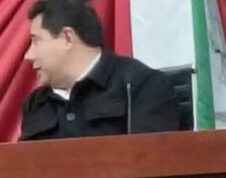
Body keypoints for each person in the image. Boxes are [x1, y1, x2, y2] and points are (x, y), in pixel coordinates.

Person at [21, 0, 179, 140]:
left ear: (67, 38)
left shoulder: (141, 86)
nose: (29, 55)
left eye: (36, 40)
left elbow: (152, 159)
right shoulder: (36, 102)